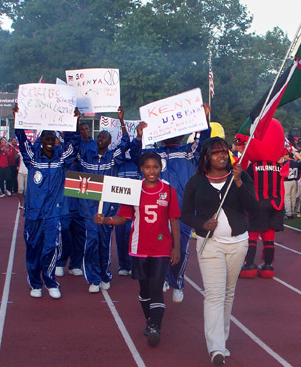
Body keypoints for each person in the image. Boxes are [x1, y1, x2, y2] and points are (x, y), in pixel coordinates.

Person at [181, 137, 256, 366]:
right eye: (216, 153)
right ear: (206, 157)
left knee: (228, 293)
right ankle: (216, 348)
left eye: (224, 152)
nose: (222, 156)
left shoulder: (240, 176)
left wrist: (240, 183)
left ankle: (221, 339)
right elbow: (185, 214)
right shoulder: (196, 182)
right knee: (214, 294)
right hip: (210, 245)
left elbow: (252, 207)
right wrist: (201, 224)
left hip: (238, 243)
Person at [94, 151, 180, 347]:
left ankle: (155, 327)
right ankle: (150, 320)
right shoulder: (134, 190)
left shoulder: (168, 190)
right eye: (148, 167)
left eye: (155, 167)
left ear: (161, 168)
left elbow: (174, 219)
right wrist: (106, 220)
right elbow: (123, 217)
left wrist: (176, 247)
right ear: (141, 169)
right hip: (139, 248)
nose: (152, 171)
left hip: (162, 248)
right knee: (144, 290)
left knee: (156, 288)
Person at [130, 104, 211, 303]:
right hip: (157, 210)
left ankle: (178, 281)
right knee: (159, 248)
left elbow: (204, 143)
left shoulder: (188, 152)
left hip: (182, 209)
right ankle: (163, 278)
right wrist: (139, 137)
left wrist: (205, 119)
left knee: (180, 249)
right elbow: (135, 156)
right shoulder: (153, 153)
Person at [14, 106, 80, 299]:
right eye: (46, 139)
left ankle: (51, 282)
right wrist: (18, 117)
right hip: (34, 214)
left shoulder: (62, 159)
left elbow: (73, 144)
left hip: (53, 214)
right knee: (33, 250)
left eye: (53, 139)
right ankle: (35, 283)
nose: (50, 142)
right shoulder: (32, 158)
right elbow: (21, 139)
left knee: (50, 249)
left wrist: (74, 121)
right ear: (41, 141)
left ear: (56, 140)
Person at [77, 107, 131, 293]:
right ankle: (93, 279)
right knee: (91, 241)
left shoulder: (113, 157)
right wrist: (76, 120)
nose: (100, 139)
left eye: (104, 138)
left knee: (104, 242)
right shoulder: (86, 156)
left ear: (109, 142)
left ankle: (104, 275)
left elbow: (126, 142)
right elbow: (76, 142)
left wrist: (121, 121)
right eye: (99, 137)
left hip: (107, 208)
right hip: (89, 207)